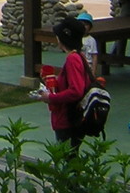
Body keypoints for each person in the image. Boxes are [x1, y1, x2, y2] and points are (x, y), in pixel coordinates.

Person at [33, 16, 90, 151]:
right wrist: (52, 81)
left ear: (63, 39)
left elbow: (76, 91)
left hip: (68, 120)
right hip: (70, 119)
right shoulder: (79, 56)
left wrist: (50, 97)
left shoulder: (72, 59)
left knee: (68, 159)